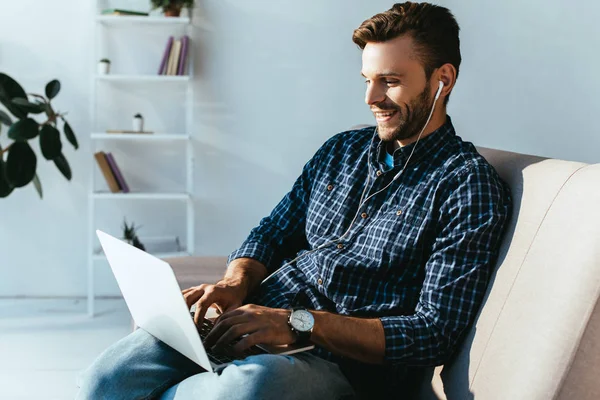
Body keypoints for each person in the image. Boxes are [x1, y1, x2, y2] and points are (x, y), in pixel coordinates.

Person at [77, 2, 512, 399]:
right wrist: (235, 283)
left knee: (249, 388)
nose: (371, 98)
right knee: (105, 380)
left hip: (340, 366)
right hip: (254, 323)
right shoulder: (341, 151)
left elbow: (433, 332)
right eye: (367, 80)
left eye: (390, 82)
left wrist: (296, 323)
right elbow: (271, 233)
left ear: (443, 79)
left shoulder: (466, 186)